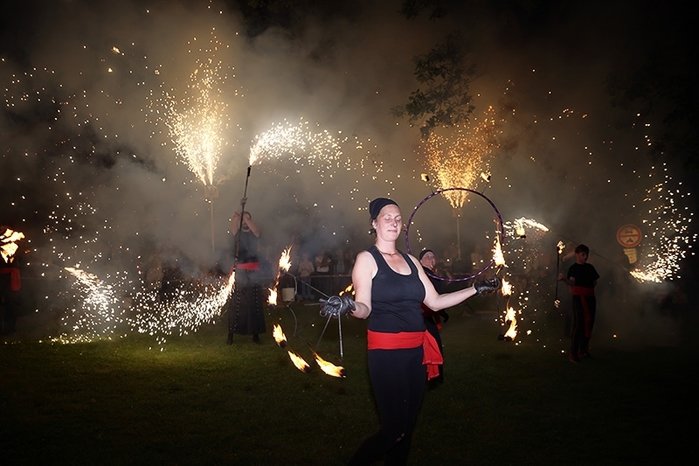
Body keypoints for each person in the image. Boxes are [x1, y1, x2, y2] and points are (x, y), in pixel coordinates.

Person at [327, 198, 500, 465]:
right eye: (387, 218)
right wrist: (348, 305)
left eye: (398, 219)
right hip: (386, 353)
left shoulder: (411, 261)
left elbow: (435, 302)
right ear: (374, 223)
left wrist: (475, 289)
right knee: (393, 429)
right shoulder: (367, 259)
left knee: (406, 430)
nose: (394, 223)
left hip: (416, 353)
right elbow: (364, 307)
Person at [227, 198, 265, 345]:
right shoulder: (237, 233)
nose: (244, 221)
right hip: (240, 272)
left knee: (253, 303)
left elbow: (255, 229)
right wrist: (240, 206)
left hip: (253, 272)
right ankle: (231, 335)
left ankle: (256, 335)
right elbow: (234, 219)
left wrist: (245, 218)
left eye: (247, 219)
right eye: (243, 219)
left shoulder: (255, 233)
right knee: (236, 304)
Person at [557, 244, 599, 363]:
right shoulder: (574, 268)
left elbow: (594, 282)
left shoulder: (590, 267)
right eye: (582, 255)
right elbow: (572, 282)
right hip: (579, 298)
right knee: (579, 323)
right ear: (577, 255)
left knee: (589, 323)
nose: (585, 257)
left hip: (590, 297)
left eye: (586, 255)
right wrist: (564, 279)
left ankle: (583, 349)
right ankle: (574, 353)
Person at [419, 248, 449, 384]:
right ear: (420, 261)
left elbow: (437, 296)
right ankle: (434, 376)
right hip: (420, 316)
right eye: (427, 256)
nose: (431, 258)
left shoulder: (432, 274)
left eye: (433, 256)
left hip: (427, 314)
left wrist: (441, 311)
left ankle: (433, 375)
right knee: (432, 343)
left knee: (431, 344)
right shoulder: (423, 274)